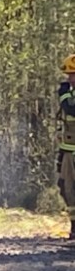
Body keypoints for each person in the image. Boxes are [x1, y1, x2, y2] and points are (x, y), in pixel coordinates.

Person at [58, 54, 75, 239]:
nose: (69, 79)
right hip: (69, 151)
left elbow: (71, 108)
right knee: (66, 188)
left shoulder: (69, 96)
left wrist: (63, 93)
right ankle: (74, 227)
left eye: (73, 75)